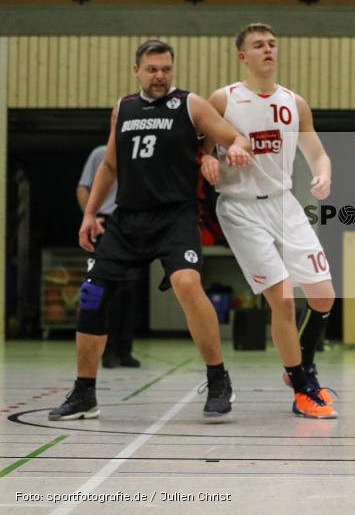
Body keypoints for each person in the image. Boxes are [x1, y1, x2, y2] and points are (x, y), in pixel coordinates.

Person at [49, 39, 252, 421]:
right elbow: (109, 166)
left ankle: (218, 379)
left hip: (175, 216)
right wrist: (89, 215)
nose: (160, 76)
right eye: (153, 69)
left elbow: (234, 136)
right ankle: (84, 392)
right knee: (91, 295)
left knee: (187, 284)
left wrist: (237, 149)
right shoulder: (123, 108)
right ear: (136, 70)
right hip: (128, 219)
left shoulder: (189, 105)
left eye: (166, 69)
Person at [200, 23, 337, 419]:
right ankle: (301, 386)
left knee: (324, 294)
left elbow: (318, 153)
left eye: (273, 44)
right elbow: (203, 148)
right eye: (258, 45)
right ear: (243, 56)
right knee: (283, 298)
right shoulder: (223, 99)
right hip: (240, 206)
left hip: (284, 203)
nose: (268, 50)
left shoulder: (295, 102)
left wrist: (323, 174)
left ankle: (302, 362)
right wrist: (209, 159)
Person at [77, 145, 140, 369]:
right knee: (103, 289)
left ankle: (125, 350)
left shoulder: (139, 150)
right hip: (105, 223)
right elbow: (83, 188)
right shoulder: (99, 154)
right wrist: (90, 216)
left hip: (132, 224)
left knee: (129, 290)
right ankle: (108, 352)